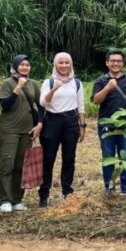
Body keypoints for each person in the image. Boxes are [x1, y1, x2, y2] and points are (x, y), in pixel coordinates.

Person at [39, 52, 86, 207]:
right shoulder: (49, 82)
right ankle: (44, 194)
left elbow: (81, 106)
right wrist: (54, 89)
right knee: (48, 158)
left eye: (67, 63)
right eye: (61, 63)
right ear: (55, 65)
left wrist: (82, 126)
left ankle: (67, 191)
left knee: (69, 158)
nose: (64, 66)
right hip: (52, 121)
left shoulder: (77, 83)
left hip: (71, 123)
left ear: (71, 64)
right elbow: (43, 102)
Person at [0, 55, 42, 213]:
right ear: (15, 67)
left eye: (27, 65)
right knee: (7, 164)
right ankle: (4, 200)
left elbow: (41, 106)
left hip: (27, 131)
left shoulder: (33, 84)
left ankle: (17, 199)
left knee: (21, 166)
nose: (24, 67)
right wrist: (17, 89)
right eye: (21, 65)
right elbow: (5, 105)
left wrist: (39, 124)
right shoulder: (8, 83)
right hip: (9, 130)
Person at [91, 50, 126, 196]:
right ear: (107, 63)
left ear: (123, 63)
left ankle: (125, 187)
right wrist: (108, 87)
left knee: (125, 156)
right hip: (107, 126)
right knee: (108, 156)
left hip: (125, 126)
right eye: (113, 61)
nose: (116, 63)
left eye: (119, 61)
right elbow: (95, 101)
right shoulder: (101, 81)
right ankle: (109, 186)